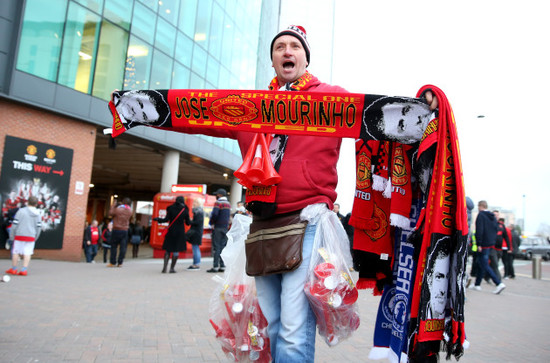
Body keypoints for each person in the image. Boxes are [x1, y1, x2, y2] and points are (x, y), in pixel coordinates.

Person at [110, 24, 439, 362]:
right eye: (279, 46)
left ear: (305, 59)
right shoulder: (248, 107)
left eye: (294, 46)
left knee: (295, 330)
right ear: (272, 60)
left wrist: (421, 110)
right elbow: (195, 112)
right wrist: (135, 109)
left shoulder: (330, 97)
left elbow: (375, 115)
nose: (287, 50)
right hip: (262, 225)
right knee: (270, 328)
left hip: (308, 222)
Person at [470, 200, 506, 294]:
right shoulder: (492, 217)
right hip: (490, 244)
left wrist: (479, 244)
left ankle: (498, 283)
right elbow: (496, 229)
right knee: (481, 263)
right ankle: (477, 284)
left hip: (483, 244)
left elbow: (479, 230)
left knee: (484, 264)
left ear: (480, 206)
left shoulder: (481, 215)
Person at [5, 196, 42, 276]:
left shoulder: (21, 211)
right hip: (31, 236)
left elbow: (15, 224)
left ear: (27, 202)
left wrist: (12, 235)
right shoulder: (38, 213)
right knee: (28, 253)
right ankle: (24, 270)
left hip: (19, 235)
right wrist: (36, 237)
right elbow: (39, 227)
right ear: (36, 204)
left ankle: (14, 269)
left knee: (15, 252)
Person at [154, 196, 190, 273]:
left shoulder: (170, 208)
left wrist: (158, 219)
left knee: (168, 250)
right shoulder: (185, 210)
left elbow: (166, 219)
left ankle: (164, 268)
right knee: (176, 250)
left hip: (171, 231)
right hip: (180, 232)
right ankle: (172, 269)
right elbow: (188, 223)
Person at [207, 188, 231, 273]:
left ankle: (215, 266)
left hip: (217, 227)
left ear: (220, 195)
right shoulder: (228, 204)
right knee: (222, 247)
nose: (216, 195)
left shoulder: (218, 203)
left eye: (217, 194)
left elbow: (215, 214)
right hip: (225, 228)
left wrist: (211, 223)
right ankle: (222, 266)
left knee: (216, 247)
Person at [108, 197, 133, 267]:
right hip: (125, 230)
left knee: (114, 246)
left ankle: (112, 262)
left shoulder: (118, 209)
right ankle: (120, 262)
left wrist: (114, 205)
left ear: (123, 202)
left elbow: (110, 213)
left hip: (116, 229)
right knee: (123, 247)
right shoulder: (130, 211)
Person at [187, 198, 204, 270]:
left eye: (196, 202)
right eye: (194, 202)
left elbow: (197, 222)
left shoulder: (199, 212)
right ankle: (195, 263)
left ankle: (196, 264)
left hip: (196, 232)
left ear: (199, 204)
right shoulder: (198, 211)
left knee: (195, 247)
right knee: (195, 247)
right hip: (197, 231)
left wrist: (190, 221)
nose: (194, 203)